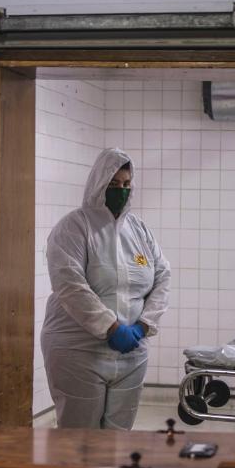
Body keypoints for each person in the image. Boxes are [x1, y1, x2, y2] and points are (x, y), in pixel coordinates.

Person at [41, 148, 171, 430]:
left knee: (118, 438)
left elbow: (162, 276)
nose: (120, 191)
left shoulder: (138, 230)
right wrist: (111, 328)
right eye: (113, 185)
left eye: (126, 185)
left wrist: (143, 325)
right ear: (98, 184)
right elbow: (70, 285)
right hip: (78, 350)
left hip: (131, 351)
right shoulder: (73, 228)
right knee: (80, 436)